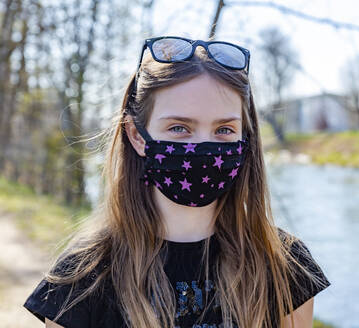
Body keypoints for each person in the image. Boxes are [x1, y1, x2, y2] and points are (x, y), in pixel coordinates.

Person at [23, 36, 331, 328]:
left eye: (224, 129)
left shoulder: (285, 265)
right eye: (179, 128)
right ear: (136, 135)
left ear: (244, 138)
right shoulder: (81, 278)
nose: (203, 145)